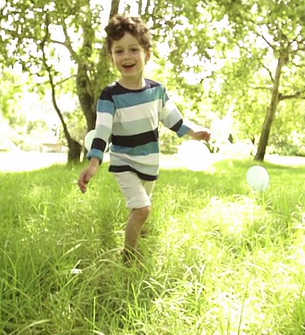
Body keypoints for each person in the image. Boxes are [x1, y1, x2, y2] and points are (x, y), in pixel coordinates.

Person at [78, 14, 211, 265]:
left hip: (150, 163)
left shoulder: (157, 91)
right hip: (124, 161)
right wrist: (94, 163)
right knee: (142, 209)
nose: (126, 56)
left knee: (140, 210)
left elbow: (175, 121)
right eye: (119, 51)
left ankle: (137, 230)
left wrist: (195, 133)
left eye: (133, 49)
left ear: (147, 53)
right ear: (112, 57)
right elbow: (102, 131)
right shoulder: (110, 95)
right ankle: (128, 256)